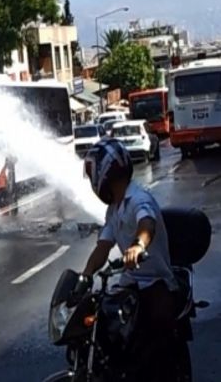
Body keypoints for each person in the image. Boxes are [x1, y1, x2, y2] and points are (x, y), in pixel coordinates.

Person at [75, 138, 178, 381]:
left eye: (94, 176)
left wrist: (138, 245)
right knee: (106, 325)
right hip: (130, 282)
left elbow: (147, 223)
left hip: (155, 282)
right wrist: (85, 275)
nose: (93, 183)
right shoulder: (114, 209)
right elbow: (103, 247)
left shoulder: (139, 199)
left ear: (107, 172)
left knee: (154, 339)